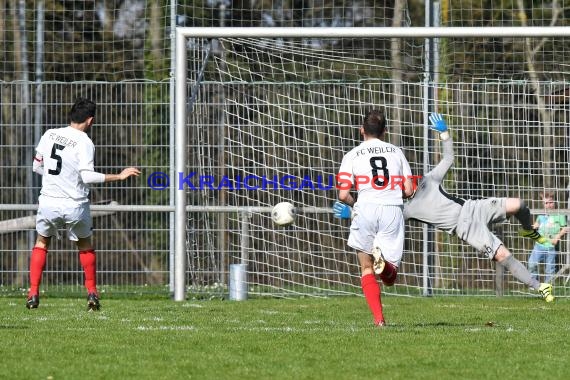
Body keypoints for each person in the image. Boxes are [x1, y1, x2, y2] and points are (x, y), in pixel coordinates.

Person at [403, 112, 555, 302]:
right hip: (466, 229)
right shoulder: (406, 209)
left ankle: (529, 230)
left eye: (404, 179)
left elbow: (448, 158)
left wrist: (445, 134)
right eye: (399, 185)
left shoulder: (428, 180)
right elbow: (385, 219)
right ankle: (540, 286)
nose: (404, 184)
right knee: (503, 255)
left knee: (519, 204)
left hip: (474, 208)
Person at [27, 97, 141, 311]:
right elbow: (87, 177)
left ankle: (33, 293)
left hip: (49, 201)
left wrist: (56, 180)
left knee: (42, 243)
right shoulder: (84, 142)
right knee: (85, 246)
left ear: (71, 115)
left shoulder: (49, 134)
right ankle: (92, 292)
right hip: (75, 204)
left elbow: (37, 166)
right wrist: (119, 175)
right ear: (90, 121)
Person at [333, 110, 415, 327]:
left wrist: (355, 205)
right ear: (384, 131)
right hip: (391, 208)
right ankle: (386, 267)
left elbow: (342, 194)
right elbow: (408, 190)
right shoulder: (397, 152)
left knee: (366, 268)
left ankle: (379, 320)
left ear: (362, 130)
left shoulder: (352, 154)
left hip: (366, 207)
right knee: (390, 278)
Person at [527, 192, 569, 283]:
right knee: (531, 264)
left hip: (551, 247)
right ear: (543, 204)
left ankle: (548, 287)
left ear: (555, 202)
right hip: (539, 245)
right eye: (546, 203)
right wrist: (531, 228)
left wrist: (557, 236)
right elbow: (537, 224)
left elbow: (565, 228)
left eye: (551, 202)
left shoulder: (560, 215)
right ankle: (534, 284)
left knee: (550, 269)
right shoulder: (541, 214)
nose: (549, 205)